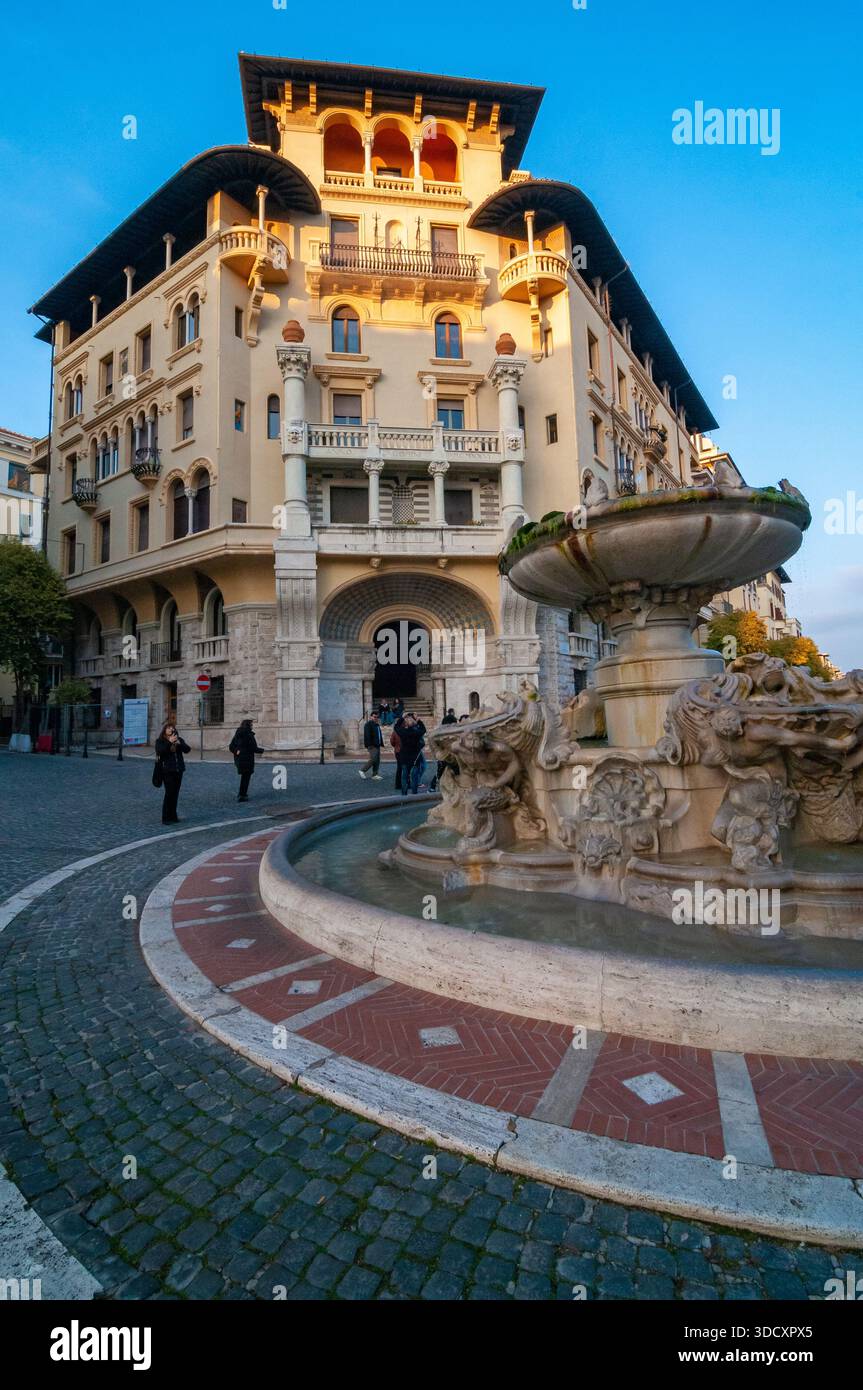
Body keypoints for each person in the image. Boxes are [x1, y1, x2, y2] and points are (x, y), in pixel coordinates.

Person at [154, 721, 190, 824]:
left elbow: (187, 750)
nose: (170, 729)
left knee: (175, 794)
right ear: (164, 730)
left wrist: (180, 744)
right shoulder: (160, 741)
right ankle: (165, 817)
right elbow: (160, 751)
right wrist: (169, 742)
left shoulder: (178, 739)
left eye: (172, 727)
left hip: (178, 770)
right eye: (168, 727)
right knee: (169, 793)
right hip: (167, 771)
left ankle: (173, 816)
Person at [228, 718, 265, 801]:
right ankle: (242, 795)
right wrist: (262, 750)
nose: (252, 726)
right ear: (248, 725)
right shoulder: (248, 734)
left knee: (244, 777)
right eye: (251, 724)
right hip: (247, 760)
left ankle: (242, 794)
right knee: (246, 778)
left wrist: (236, 751)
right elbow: (253, 748)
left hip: (240, 759)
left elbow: (231, 746)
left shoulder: (238, 733)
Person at [395, 713, 426, 795]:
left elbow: (396, 727)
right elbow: (423, 730)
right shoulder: (417, 733)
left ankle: (404, 794)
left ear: (406, 724)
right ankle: (414, 794)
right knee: (414, 777)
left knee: (404, 777)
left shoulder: (403, 732)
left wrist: (402, 718)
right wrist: (419, 721)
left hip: (405, 757)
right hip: (415, 757)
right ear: (413, 723)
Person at [359, 711, 384, 781]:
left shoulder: (376, 724)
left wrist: (381, 743)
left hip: (377, 745)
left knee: (377, 760)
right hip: (372, 745)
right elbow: (367, 735)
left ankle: (375, 774)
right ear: (371, 717)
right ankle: (362, 770)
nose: (376, 718)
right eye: (374, 717)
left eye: (377, 717)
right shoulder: (368, 724)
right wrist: (369, 745)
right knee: (374, 759)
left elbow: (379, 735)